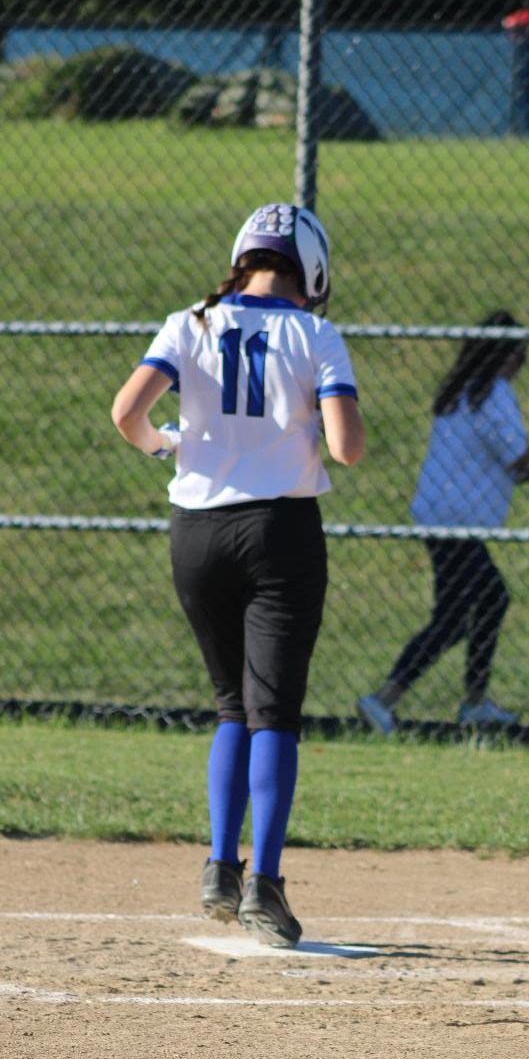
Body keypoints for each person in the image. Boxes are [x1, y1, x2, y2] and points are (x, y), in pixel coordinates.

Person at [111, 203, 364, 947]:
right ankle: (266, 884)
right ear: (309, 269)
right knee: (273, 712)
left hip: (194, 533)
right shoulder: (315, 333)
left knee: (230, 705)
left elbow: (128, 412)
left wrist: (168, 449)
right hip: (278, 531)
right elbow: (347, 448)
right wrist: (313, 421)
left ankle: (220, 867)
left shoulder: (188, 321)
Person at [357, 310, 529, 734]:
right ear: (509, 356)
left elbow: (510, 465)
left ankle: (470, 701)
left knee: (488, 599)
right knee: (458, 615)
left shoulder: (461, 390)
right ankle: (386, 699)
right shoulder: (494, 394)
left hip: (442, 518)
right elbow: (521, 461)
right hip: (457, 523)